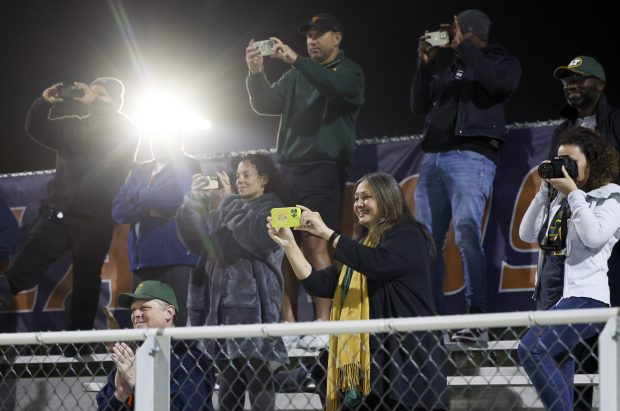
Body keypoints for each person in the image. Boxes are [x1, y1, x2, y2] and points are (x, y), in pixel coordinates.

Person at [267, 172, 448, 411]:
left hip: (405, 362)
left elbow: (378, 264)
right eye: (356, 198)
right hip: (369, 365)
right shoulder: (360, 248)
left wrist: (327, 234)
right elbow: (318, 284)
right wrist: (290, 244)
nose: (359, 204)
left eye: (366, 197)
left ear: (387, 198)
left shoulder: (409, 234)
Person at [245, 13, 365, 347]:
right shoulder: (296, 75)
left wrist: (297, 61)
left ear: (337, 37)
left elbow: (339, 91)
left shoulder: (348, 71)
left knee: (315, 241)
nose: (312, 40)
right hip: (289, 171)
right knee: (284, 243)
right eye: (308, 35)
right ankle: (289, 324)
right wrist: (256, 74)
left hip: (322, 168)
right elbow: (265, 103)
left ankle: (324, 323)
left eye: (319, 34)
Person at [410, 9, 521, 343]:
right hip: (432, 160)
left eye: (455, 30)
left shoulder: (501, 61)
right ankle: (430, 324)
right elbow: (418, 104)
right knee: (426, 241)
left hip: (471, 156)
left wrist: (465, 48)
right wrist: (425, 65)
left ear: (470, 32)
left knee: (467, 234)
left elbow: (499, 84)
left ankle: (477, 321)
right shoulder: (450, 67)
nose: (450, 36)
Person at [0, 79, 139, 331]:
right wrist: (44, 102)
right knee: (20, 267)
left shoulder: (124, 129)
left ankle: (80, 341)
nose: (91, 97)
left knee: (87, 278)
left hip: (95, 219)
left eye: (101, 95)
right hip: (59, 214)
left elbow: (107, 136)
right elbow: (36, 128)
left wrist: (94, 103)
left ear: (114, 103)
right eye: (90, 92)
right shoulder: (75, 126)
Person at [176, 153, 289, 411]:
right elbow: (195, 240)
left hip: (256, 316)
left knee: (259, 382)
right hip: (221, 315)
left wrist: (227, 201)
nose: (239, 180)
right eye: (237, 176)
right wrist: (193, 201)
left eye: (246, 175)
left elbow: (254, 235)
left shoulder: (275, 210)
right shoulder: (227, 208)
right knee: (228, 385)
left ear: (264, 179)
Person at [517, 127, 620, 411]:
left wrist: (574, 194)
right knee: (559, 369)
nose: (563, 167)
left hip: (585, 298)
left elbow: (593, 236)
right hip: (550, 298)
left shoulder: (610, 198)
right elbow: (526, 234)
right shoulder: (559, 199)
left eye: (571, 161)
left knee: (531, 349)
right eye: (559, 160)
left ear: (593, 161)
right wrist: (544, 193)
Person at [548, 56, 620, 409]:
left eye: (579, 78)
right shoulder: (561, 131)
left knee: (610, 330)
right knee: (574, 340)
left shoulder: (616, 121)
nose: (570, 84)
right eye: (566, 80)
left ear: (600, 85)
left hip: (612, 240)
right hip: (574, 243)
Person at [112, 130, 200, 327]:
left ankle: (180, 359)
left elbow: (171, 197)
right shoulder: (139, 170)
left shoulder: (187, 164)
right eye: (154, 140)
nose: (157, 144)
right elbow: (118, 210)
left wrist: (133, 194)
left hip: (176, 258)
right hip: (142, 261)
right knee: (144, 326)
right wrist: (151, 210)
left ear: (178, 142)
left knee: (178, 325)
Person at [96, 280, 214, 410]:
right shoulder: (130, 358)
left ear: (168, 313)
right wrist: (120, 396)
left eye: (144, 308)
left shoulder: (190, 359)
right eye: (133, 310)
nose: (135, 314)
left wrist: (137, 384)